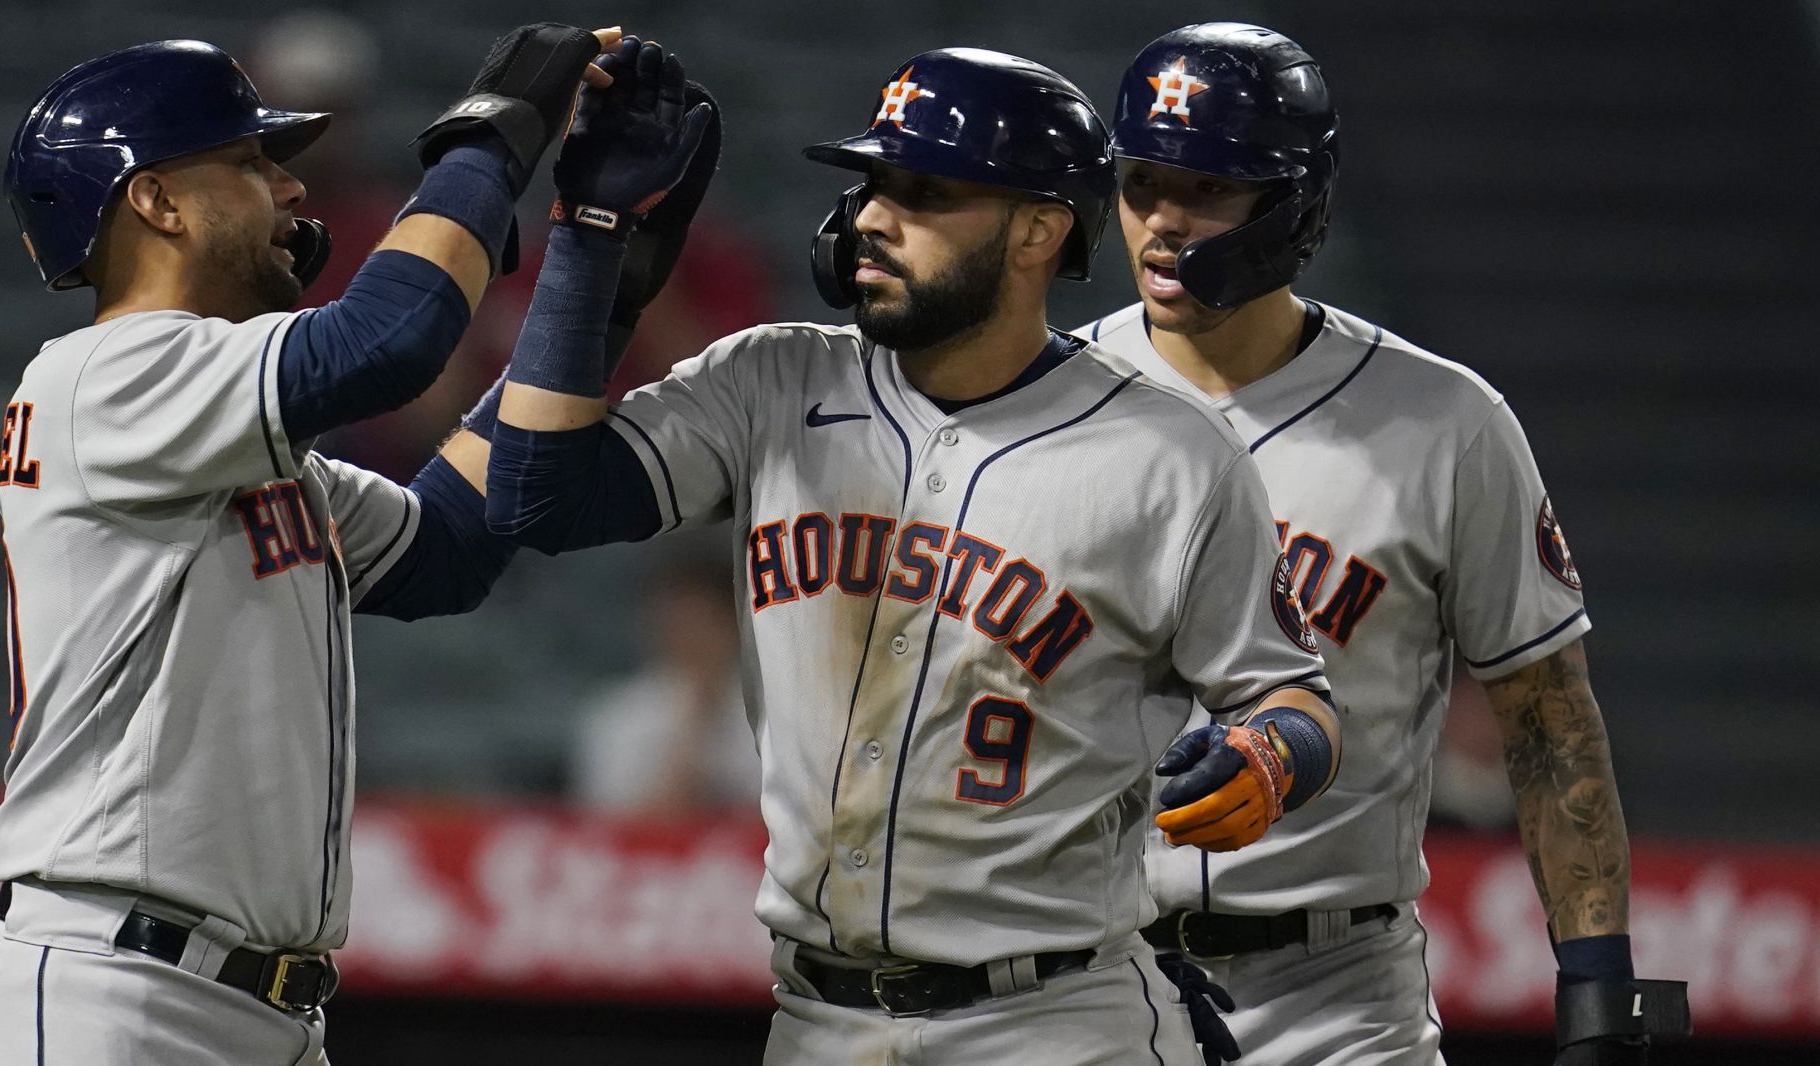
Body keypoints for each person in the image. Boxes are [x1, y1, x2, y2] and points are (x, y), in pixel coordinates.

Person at [485, 44, 1343, 1065]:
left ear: (1037, 230)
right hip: (813, 1021)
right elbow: (531, 494)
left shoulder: (1167, 453)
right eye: (872, 184)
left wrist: (1270, 754)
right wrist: (589, 238)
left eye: (925, 192)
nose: (873, 218)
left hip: (1055, 1024)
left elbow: (1292, 697)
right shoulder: (770, 381)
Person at [0, 25, 643, 1065]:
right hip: (105, 996)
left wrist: (591, 251)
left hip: (236, 1008)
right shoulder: (101, 377)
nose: (293, 193)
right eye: (250, 165)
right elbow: (386, 339)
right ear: (153, 200)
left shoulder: (209, 427)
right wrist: (492, 137)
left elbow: (451, 549)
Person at [1077, 21, 1687, 1066]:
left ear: (1294, 203)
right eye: (1141, 181)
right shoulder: (1050, 400)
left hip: (1334, 997)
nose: (1164, 218)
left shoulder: (1442, 421)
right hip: (1082, 977)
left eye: (1207, 186)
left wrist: (1597, 985)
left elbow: (1545, 719)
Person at [570, 549, 759, 813]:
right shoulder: (617, 714)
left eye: (706, 624)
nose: (694, 639)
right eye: (681, 624)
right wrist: (689, 729)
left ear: (736, 625)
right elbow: (606, 823)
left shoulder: (775, 715)